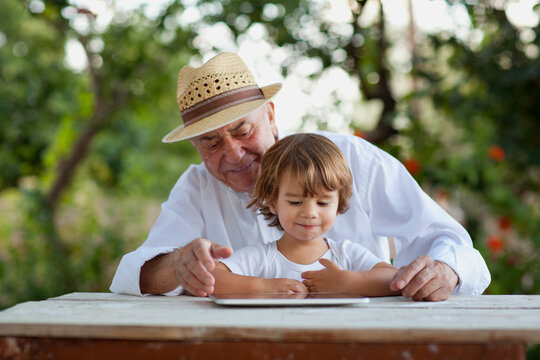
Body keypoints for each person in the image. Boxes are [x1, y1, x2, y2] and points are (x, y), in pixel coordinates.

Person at [110, 52, 490, 301]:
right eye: (210, 142)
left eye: (243, 130)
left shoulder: (354, 159)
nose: (233, 153)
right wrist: (177, 266)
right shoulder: (196, 188)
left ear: (271, 116)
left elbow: (447, 241)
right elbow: (136, 274)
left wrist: (446, 270)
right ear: (194, 146)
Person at [211, 133, 400, 297]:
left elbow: (395, 279)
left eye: (323, 203)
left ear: (339, 203)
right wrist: (263, 287)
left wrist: (349, 283)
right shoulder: (262, 257)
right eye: (295, 202)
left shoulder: (345, 254)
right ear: (272, 202)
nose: (310, 213)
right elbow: (212, 277)